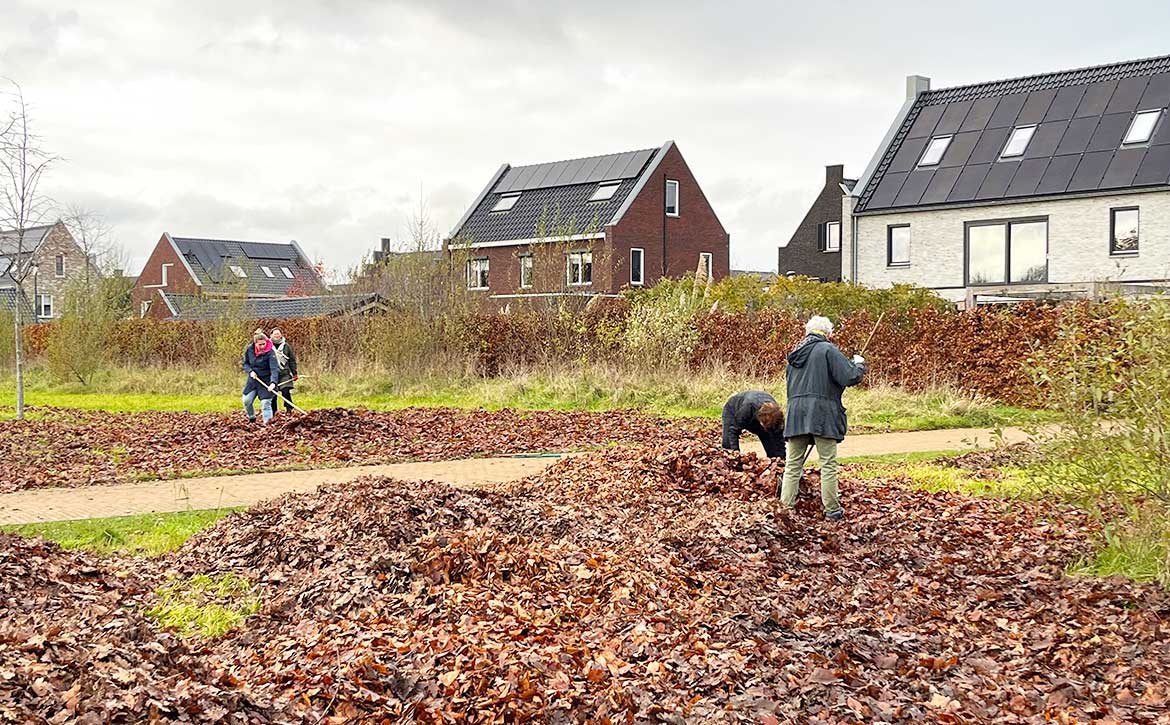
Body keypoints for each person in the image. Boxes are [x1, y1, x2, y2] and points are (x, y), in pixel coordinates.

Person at [779, 315, 866, 521]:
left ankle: (785, 509)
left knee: (792, 465)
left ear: (807, 332)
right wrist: (859, 364)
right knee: (828, 464)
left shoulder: (794, 355)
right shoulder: (828, 350)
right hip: (822, 414)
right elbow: (850, 377)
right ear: (829, 333)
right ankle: (832, 510)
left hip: (796, 414)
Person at [721, 391, 785, 458]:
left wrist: (780, 458)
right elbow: (733, 430)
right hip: (733, 410)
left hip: (757, 414)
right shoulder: (748, 408)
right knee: (728, 444)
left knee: (772, 444)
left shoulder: (777, 416)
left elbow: (779, 438)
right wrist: (735, 453)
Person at [242, 330, 280, 424]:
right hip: (253, 380)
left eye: (264, 344)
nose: (262, 346)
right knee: (247, 401)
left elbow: (274, 369)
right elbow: (245, 363)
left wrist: (273, 383)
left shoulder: (270, 352)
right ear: (255, 344)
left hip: (267, 381)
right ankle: (252, 417)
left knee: (265, 403)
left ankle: (268, 425)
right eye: (260, 345)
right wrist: (250, 371)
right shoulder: (249, 350)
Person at [270, 328, 298, 414]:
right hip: (272, 374)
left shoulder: (286, 346)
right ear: (271, 335)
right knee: (273, 393)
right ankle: (274, 411)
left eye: (278, 334)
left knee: (285, 390)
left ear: (281, 335)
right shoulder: (268, 346)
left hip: (284, 373)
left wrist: (294, 373)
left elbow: (291, 360)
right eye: (275, 334)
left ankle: (289, 408)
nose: (277, 335)